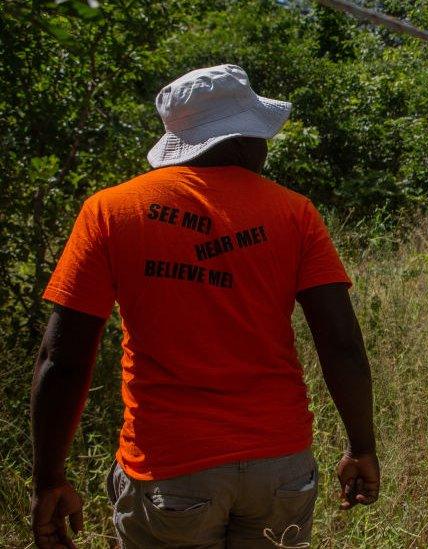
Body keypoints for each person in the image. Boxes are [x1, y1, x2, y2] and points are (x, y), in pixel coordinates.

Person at [29, 64, 380, 548]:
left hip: (169, 472)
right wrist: (361, 446)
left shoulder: (111, 211)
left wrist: (49, 477)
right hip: (278, 469)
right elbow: (342, 345)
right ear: (238, 140)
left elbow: (62, 360)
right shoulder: (295, 212)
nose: (264, 147)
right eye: (259, 135)